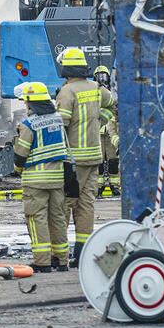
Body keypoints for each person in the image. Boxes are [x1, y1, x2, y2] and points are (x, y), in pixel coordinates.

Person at [54, 48, 116, 268]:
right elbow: (112, 104)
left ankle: (59, 255)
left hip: (74, 160)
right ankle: (82, 253)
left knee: (65, 205)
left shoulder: (67, 92)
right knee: (86, 205)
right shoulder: (96, 88)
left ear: (65, 68)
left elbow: (61, 126)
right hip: (94, 156)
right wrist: (99, 121)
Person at [13, 81, 71, 273]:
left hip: (35, 181)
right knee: (57, 218)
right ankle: (62, 260)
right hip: (57, 179)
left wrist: (17, 169)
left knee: (37, 219)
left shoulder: (29, 124)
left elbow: (20, 154)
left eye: (26, 103)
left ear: (32, 103)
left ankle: (42, 261)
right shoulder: (57, 119)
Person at [93, 65, 121, 198]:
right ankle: (98, 188)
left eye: (104, 76)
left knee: (113, 160)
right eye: (99, 76)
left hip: (110, 131)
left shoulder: (112, 93)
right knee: (99, 161)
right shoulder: (93, 92)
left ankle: (114, 186)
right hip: (97, 131)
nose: (102, 79)